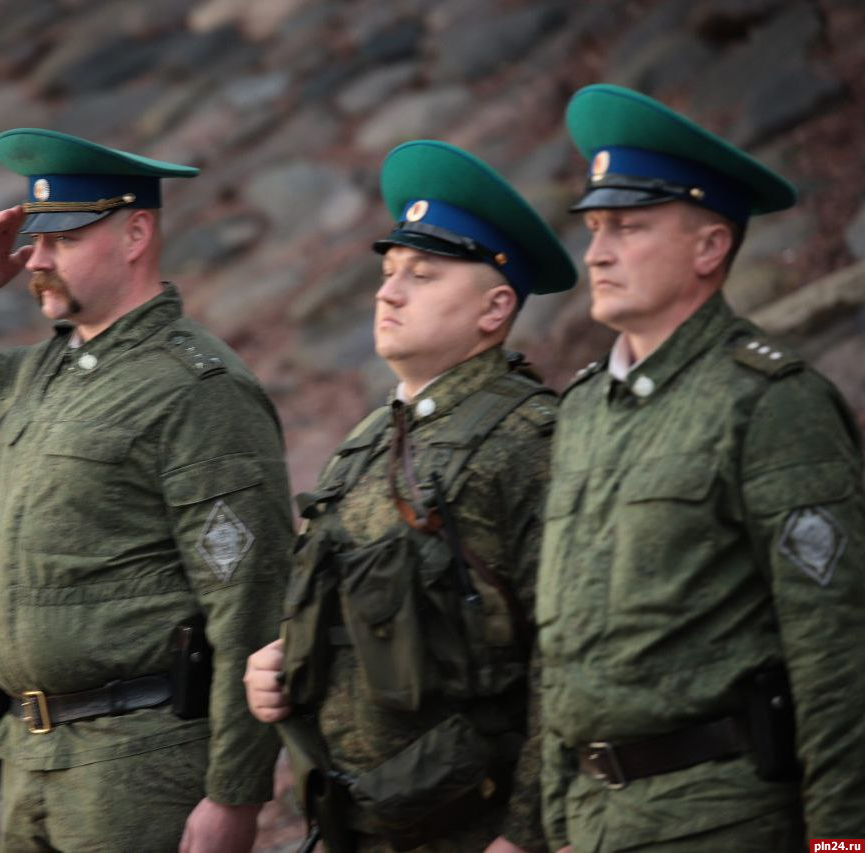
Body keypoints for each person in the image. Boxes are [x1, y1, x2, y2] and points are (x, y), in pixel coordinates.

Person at [0, 128, 293, 852]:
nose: (37, 260)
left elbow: (251, 602)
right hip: (31, 760)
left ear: (135, 233)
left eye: (63, 238)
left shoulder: (197, 389)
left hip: (137, 767)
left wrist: (235, 795)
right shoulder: (44, 374)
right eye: (33, 239)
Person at [537, 84, 865, 851]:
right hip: (594, 822)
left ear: (710, 247)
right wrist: (555, 818)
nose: (598, 252)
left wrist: (843, 840)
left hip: (721, 819)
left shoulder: (768, 402)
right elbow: (561, 643)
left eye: (629, 226)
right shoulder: (582, 409)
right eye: (593, 227)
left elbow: (836, 646)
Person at [244, 140, 576, 852]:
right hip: (361, 822)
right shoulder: (370, 438)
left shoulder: (527, 440)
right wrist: (281, 662)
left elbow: (571, 654)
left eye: (422, 275)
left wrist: (527, 834)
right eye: (390, 271)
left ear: (495, 309)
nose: (387, 292)